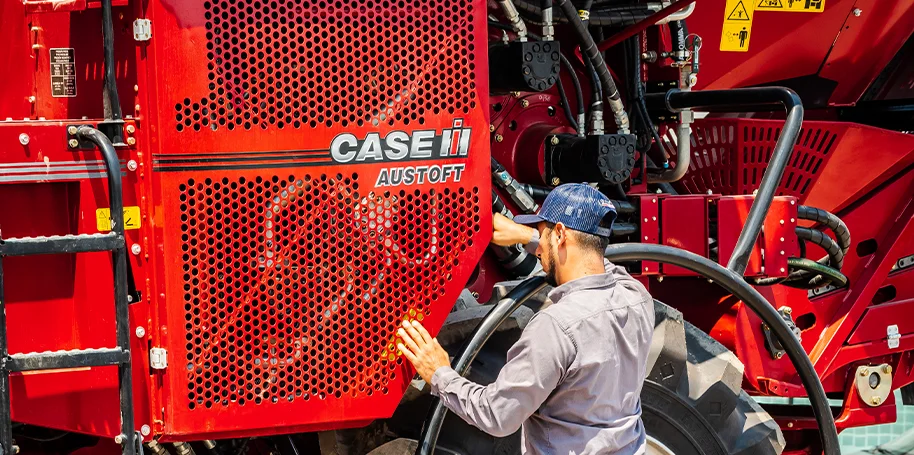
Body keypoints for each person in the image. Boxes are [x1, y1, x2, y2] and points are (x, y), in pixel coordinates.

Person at [396, 183, 655, 455]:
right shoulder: (636, 295)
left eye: (543, 234)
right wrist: (528, 236)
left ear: (560, 235)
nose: (539, 248)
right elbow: (595, 261)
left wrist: (439, 373)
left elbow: (497, 415)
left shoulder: (555, 327)